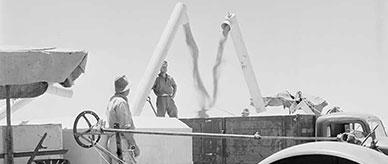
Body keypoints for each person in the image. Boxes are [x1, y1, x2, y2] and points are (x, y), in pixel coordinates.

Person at [106, 75, 140, 163]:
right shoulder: (121, 103)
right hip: (120, 143)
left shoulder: (112, 101)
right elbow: (125, 128)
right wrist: (134, 145)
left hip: (115, 142)